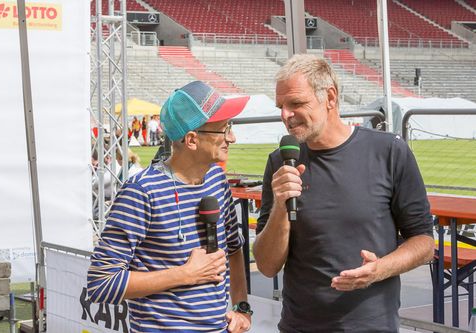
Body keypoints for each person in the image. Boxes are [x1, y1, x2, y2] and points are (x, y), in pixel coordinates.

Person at [253, 54, 434, 332]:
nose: (285, 115)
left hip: (371, 325)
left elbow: (423, 243)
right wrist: (280, 206)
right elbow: (266, 266)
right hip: (299, 325)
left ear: (330, 97)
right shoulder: (280, 162)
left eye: (296, 104)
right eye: (281, 106)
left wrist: (379, 270)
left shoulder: (389, 152)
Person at [88, 80, 253, 333]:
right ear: (192, 140)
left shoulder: (217, 180)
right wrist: (186, 274)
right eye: (223, 129)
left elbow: (233, 248)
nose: (232, 137)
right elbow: (102, 283)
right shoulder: (142, 191)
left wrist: (241, 307)